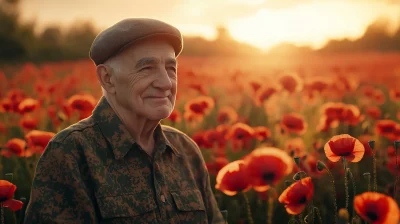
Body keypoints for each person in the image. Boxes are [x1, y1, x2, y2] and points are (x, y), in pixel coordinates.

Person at [24, 18, 225, 224]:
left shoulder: (185, 151)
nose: (166, 82)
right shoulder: (72, 153)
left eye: (171, 68)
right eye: (147, 68)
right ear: (107, 78)